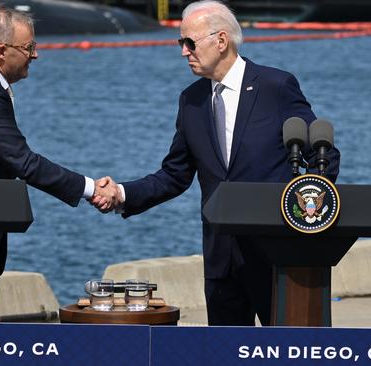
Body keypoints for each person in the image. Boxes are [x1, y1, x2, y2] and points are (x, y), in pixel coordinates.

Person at [93, 0, 340, 326]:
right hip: (221, 261)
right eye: (181, 43)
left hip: (278, 258)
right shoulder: (191, 100)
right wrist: (122, 194)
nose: (184, 52)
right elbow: (174, 175)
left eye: (189, 42)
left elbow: (323, 159)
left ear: (221, 41)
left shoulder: (275, 87)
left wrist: (305, 217)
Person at [0, 4, 117, 322]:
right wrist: (90, 188)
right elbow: (23, 161)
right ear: (2, 51)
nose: (36, 55)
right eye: (29, 47)